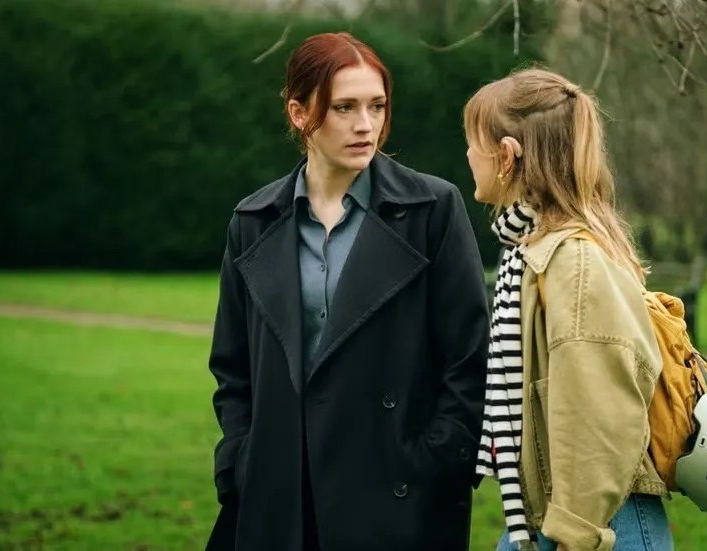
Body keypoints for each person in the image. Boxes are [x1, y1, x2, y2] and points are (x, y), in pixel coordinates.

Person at [205, 32, 490, 551]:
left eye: (376, 106)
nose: (366, 124)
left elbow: (469, 361)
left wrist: (434, 464)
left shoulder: (432, 210)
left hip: (396, 500)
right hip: (279, 499)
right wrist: (239, 463)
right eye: (344, 107)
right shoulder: (253, 220)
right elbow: (232, 367)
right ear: (299, 113)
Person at [464, 67, 674, 551]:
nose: (469, 155)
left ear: (506, 155)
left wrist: (577, 532)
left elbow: (599, 410)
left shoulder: (572, 260)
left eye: (474, 142)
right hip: (558, 516)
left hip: (597, 525)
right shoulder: (531, 249)